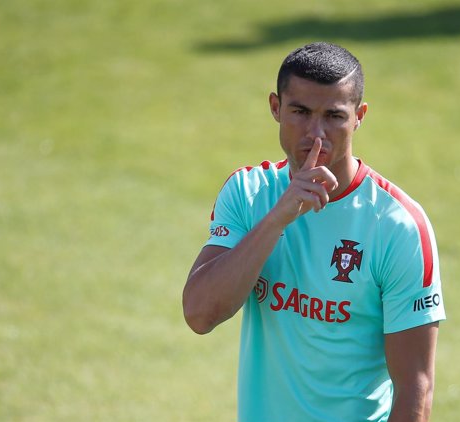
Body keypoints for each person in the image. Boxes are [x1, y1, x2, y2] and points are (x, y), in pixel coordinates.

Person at [182, 42, 446, 422]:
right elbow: (200, 314)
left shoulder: (397, 225)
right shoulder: (248, 193)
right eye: (300, 112)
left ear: (359, 117)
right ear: (275, 107)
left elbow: (415, 391)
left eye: (334, 116)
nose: (315, 133)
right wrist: (277, 220)